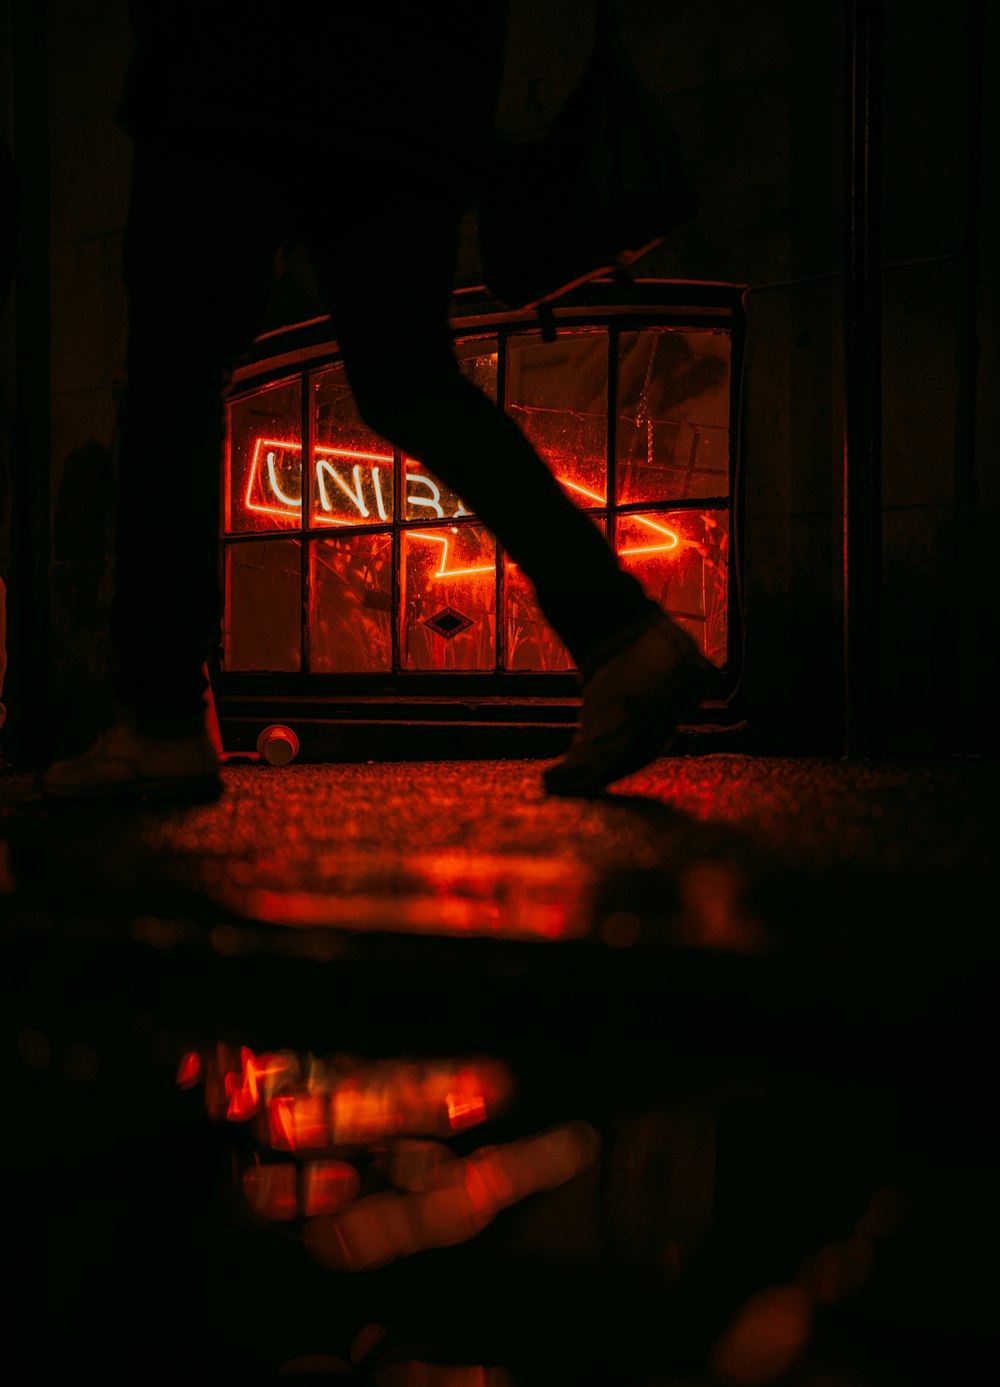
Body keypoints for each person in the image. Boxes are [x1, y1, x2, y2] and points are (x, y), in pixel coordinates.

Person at [41, 1, 712, 804]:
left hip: (229, 74)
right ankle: (621, 634)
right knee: (409, 377)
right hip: (410, 90)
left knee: (174, 375)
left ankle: (160, 720)